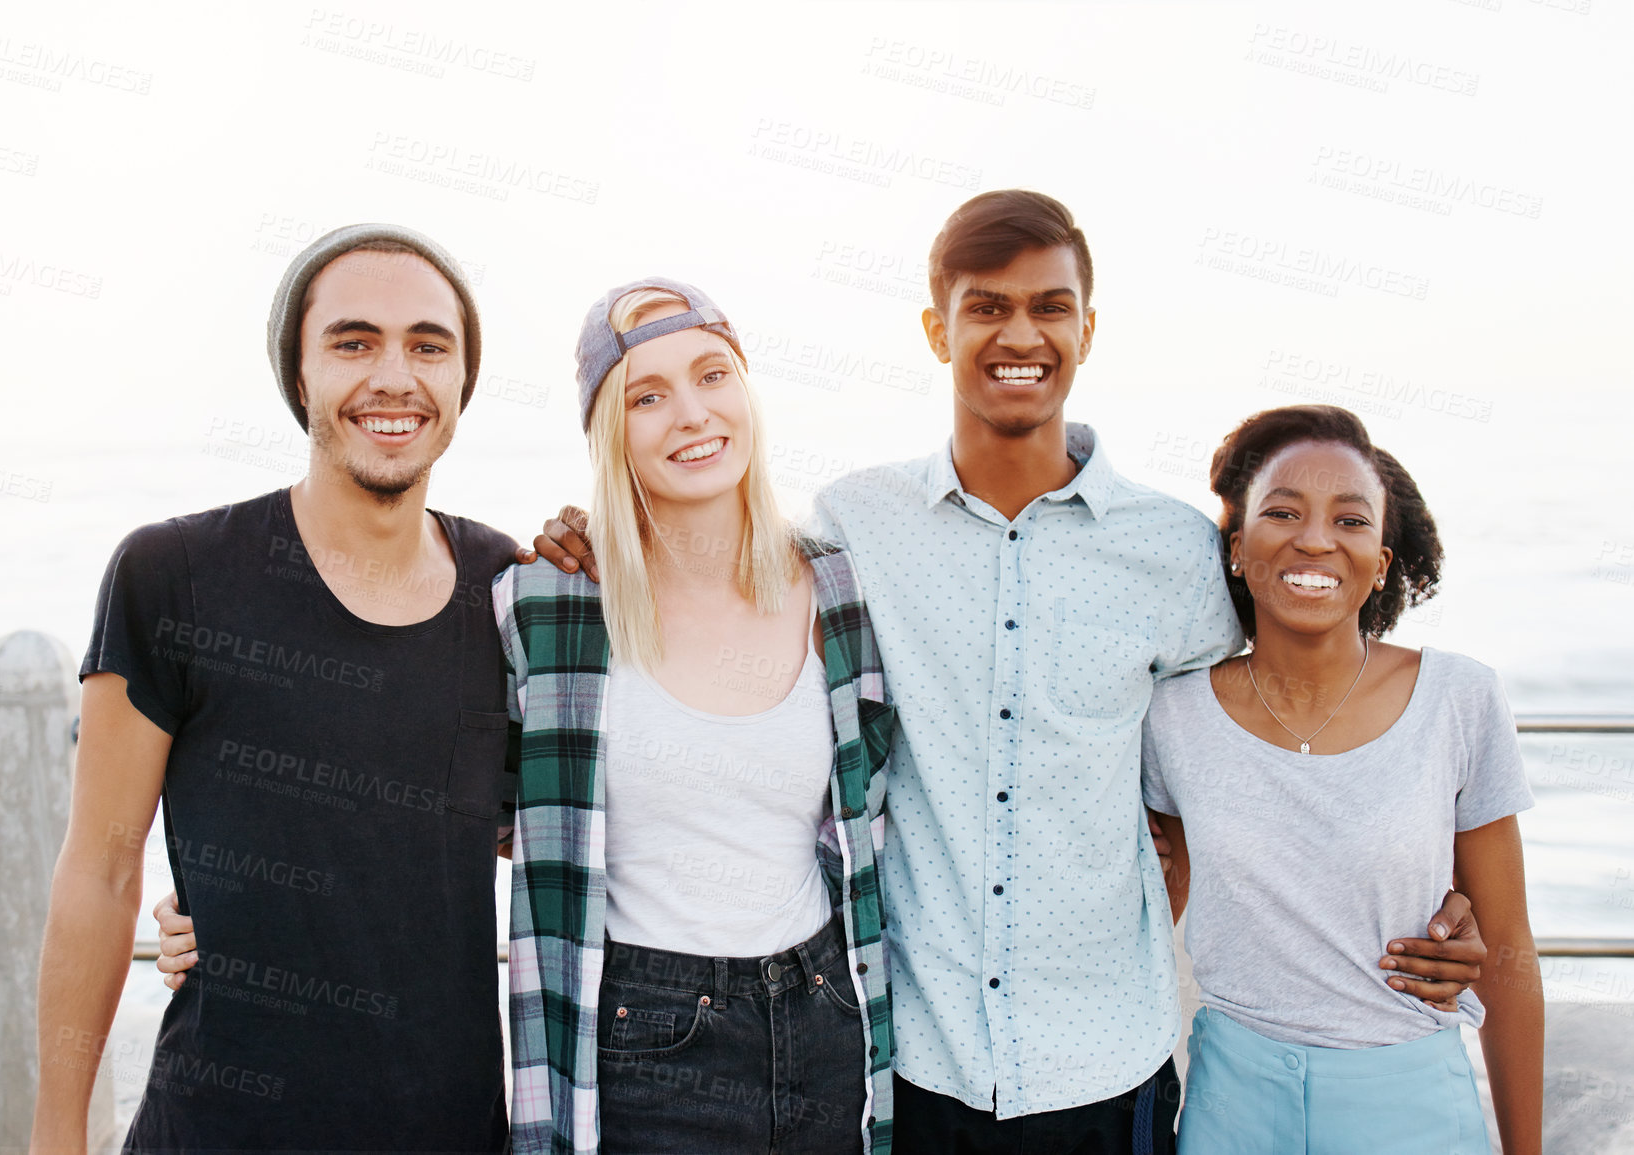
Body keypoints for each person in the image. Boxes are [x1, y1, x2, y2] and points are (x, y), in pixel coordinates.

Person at [534, 190, 1489, 1154]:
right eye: (986, 307)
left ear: (1086, 328)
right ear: (936, 330)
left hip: (1108, 1061)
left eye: (1048, 305)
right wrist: (589, 534)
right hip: (915, 1059)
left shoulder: (1172, 552)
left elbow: (1267, 736)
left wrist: (1433, 894)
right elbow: (712, 562)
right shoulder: (856, 527)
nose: (1019, 333)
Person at [33, 225, 529, 1153]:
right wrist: (54, 1141)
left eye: (428, 345)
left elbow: (541, 827)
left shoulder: (506, 586)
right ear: (298, 376)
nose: (393, 375)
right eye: (352, 342)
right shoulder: (172, 573)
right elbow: (98, 873)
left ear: (462, 380)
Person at [496, 278, 894, 1155]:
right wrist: (211, 917)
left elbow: (888, 798)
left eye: (712, 375)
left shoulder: (840, 589)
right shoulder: (544, 606)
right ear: (610, 432)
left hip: (828, 1011)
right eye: (647, 395)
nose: (690, 413)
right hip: (646, 1042)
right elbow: (451, 813)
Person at [1142, 405, 1542, 1154]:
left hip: (1411, 1104)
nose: (1315, 538)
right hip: (1230, 1103)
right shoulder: (1171, 713)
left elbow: (1509, 943)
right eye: (1282, 511)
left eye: (1350, 520)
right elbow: (1154, 903)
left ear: (1382, 561)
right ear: (1237, 548)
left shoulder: (1458, 698)